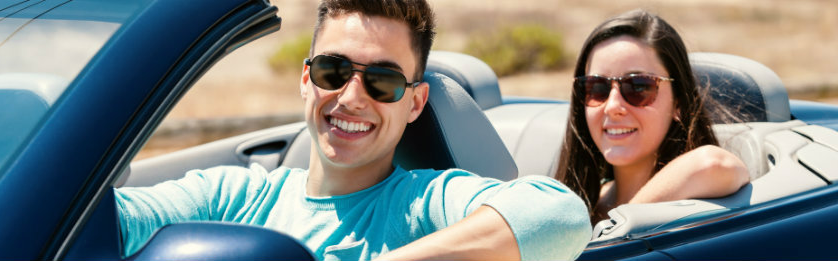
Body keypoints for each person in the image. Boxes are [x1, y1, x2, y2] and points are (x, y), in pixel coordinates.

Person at [116, 0, 592, 260]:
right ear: (306, 80)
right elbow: (103, 221)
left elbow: (559, 216)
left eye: (383, 82)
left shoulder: (422, 204)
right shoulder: (231, 196)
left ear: (415, 103)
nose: (351, 98)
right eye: (334, 70)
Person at [555, 9, 750, 224]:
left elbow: (715, 164)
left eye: (638, 87)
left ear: (678, 103)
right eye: (596, 88)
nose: (612, 106)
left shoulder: (696, 193)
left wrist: (619, 228)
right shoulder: (577, 208)